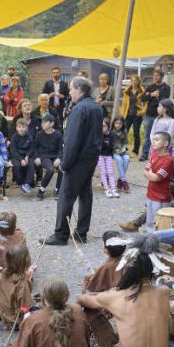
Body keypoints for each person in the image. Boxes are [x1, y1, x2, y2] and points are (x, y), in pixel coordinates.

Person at [78, 241, 171, 347]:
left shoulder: (117, 297)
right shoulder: (164, 292)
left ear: (127, 271)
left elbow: (84, 300)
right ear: (151, 270)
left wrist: (91, 294)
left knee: (90, 312)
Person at [44, 77, 103, 245]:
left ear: (80, 90)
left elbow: (72, 140)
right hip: (90, 158)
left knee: (65, 196)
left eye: (71, 89)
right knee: (85, 195)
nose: (69, 92)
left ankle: (61, 235)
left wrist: (65, 163)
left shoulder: (80, 109)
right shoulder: (97, 107)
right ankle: (81, 233)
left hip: (78, 160)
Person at [0, 244, 34, 330]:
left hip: (1, 310)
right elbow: (25, 308)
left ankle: (0, 317)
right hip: (14, 318)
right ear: (25, 262)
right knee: (38, 311)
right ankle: (9, 324)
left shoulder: (2, 274)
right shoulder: (22, 284)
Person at [143, 131, 174, 233]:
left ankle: (159, 242)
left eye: (157, 140)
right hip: (150, 193)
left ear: (165, 143)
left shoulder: (168, 160)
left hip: (161, 197)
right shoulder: (154, 155)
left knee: (160, 223)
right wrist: (151, 175)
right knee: (149, 220)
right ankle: (149, 241)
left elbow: (156, 178)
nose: (153, 142)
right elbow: (145, 172)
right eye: (153, 140)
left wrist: (151, 174)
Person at [140, 69, 171, 161]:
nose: (155, 77)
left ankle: (159, 154)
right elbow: (142, 98)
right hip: (149, 115)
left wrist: (158, 96)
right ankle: (144, 154)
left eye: (157, 75)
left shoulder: (166, 87)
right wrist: (151, 95)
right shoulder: (150, 87)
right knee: (147, 135)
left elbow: (166, 100)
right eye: (154, 75)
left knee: (160, 136)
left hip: (161, 116)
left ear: (161, 76)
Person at [33, 113, 63, 201]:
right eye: (42, 122)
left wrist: (59, 158)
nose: (42, 124)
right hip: (44, 156)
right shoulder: (39, 134)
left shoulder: (58, 134)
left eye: (45, 122)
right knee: (50, 170)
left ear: (52, 123)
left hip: (55, 156)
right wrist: (36, 157)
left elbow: (61, 149)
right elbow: (34, 147)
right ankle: (41, 190)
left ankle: (58, 189)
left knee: (62, 167)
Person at [9, 118, 36, 193]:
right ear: (16, 128)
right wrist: (21, 159)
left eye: (23, 127)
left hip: (27, 156)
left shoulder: (29, 137)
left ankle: (27, 183)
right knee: (17, 166)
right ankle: (20, 182)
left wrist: (27, 156)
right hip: (17, 156)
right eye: (20, 127)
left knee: (31, 164)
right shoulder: (14, 137)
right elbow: (13, 150)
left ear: (27, 128)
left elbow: (31, 148)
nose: (22, 129)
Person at [120, 75, 145, 156]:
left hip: (137, 115)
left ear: (138, 82)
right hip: (128, 114)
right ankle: (122, 149)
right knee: (124, 131)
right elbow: (124, 104)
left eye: (135, 80)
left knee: (136, 133)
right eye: (132, 80)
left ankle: (136, 150)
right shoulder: (127, 91)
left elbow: (145, 104)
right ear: (130, 82)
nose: (134, 82)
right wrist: (122, 114)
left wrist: (141, 112)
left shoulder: (141, 91)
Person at [99, 118, 118, 198]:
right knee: (103, 172)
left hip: (108, 155)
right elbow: (99, 146)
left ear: (108, 127)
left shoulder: (112, 134)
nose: (102, 128)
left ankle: (113, 189)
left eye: (104, 126)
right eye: (101, 126)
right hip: (100, 155)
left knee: (110, 172)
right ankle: (107, 189)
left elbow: (112, 146)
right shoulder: (99, 135)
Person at [112, 115, 130, 193]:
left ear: (122, 124)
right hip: (114, 151)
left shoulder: (124, 131)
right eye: (116, 123)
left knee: (127, 159)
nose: (118, 125)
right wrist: (116, 150)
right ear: (113, 123)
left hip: (122, 151)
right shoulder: (111, 132)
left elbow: (126, 143)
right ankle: (124, 181)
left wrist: (124, 149)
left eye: (120, 123)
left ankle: (120, 179)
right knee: (119, 160)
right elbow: (110, 145)